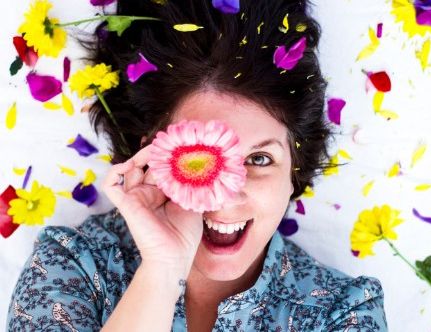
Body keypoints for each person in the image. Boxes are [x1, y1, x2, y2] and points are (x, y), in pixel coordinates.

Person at [6, 0, 388, 331]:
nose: (226, 193)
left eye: (259, 159)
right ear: (150, 159)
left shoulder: (342, 311)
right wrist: (162, 268)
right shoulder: (71, 265)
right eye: (198, 157)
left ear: (294, 170)